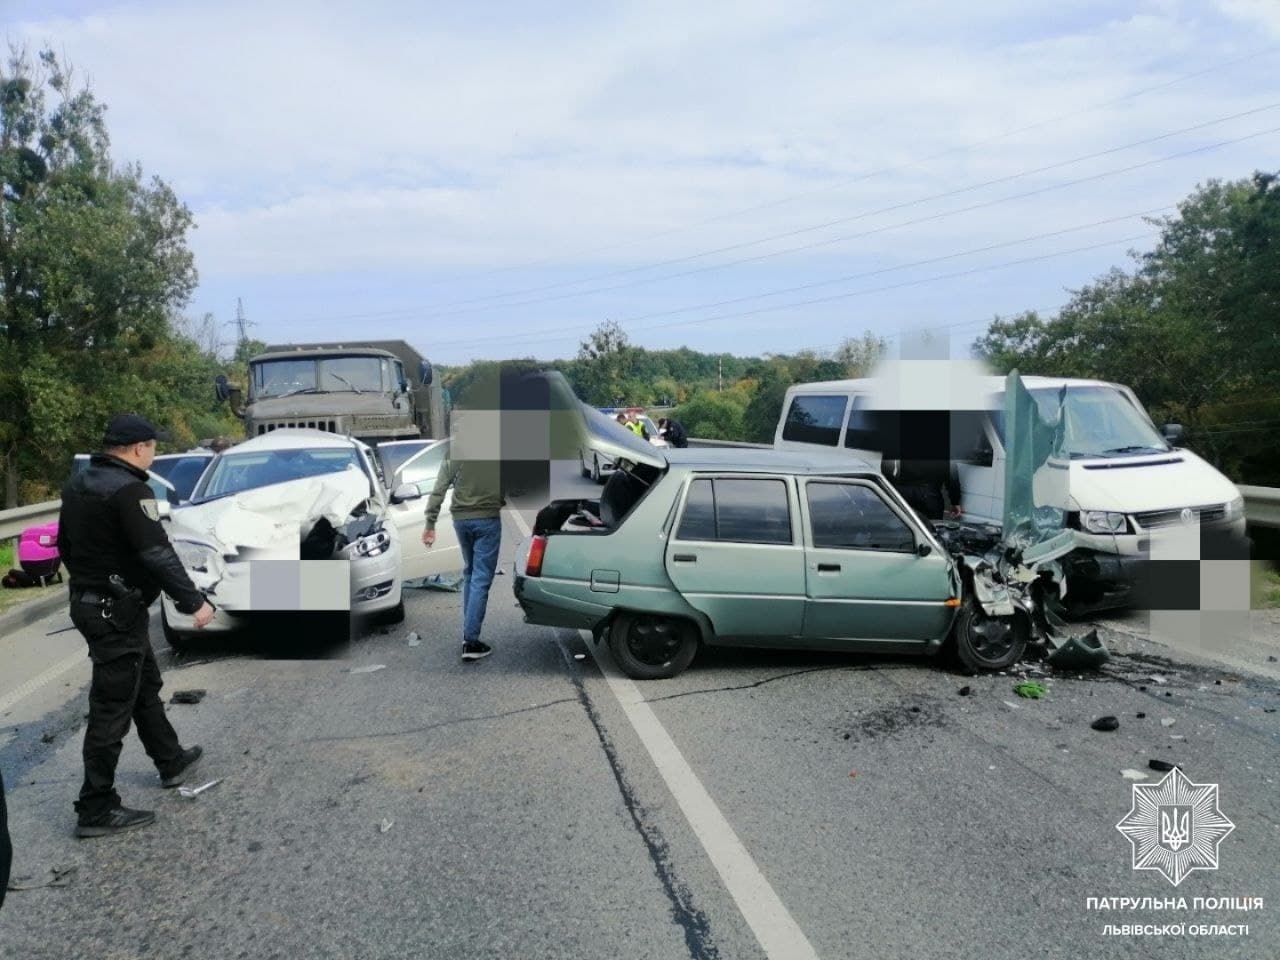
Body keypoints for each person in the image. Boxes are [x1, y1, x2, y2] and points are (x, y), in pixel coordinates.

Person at [57, 415, 215, 838]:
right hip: (115, 611)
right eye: (153, 446)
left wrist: (97, 584)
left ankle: (170, 759)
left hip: (96, 606)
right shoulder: (132, 489)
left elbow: (66, 547)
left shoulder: (78, 483)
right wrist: (194, 601)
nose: (154, 454)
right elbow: (157, 553)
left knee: (143, 684)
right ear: (138, 447)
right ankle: (96, 807)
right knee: (111, 707)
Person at [422, 411, 505, 662]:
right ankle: (471, 641)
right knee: (481, 577)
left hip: (461, 520)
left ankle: (468, 634)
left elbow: (438, 489)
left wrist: (430, 523)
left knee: (470, 573)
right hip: (487, 520)